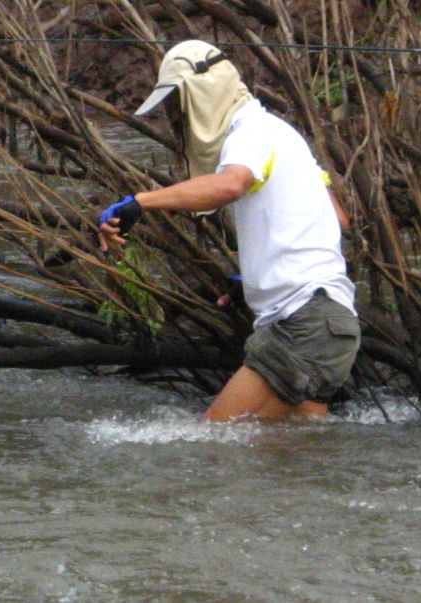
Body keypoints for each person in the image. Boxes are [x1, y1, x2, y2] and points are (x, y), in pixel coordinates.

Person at [98, 40, 360, 422]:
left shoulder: (250, 132)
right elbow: (337, 218)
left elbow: (231, 185)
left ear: (201, 95)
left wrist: (141, 202)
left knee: (210, 443)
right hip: (328, 323)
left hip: (305, 323)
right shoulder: (281, 133)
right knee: (295, 456)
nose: (175, 118)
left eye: (177, 104)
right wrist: (260, 277)